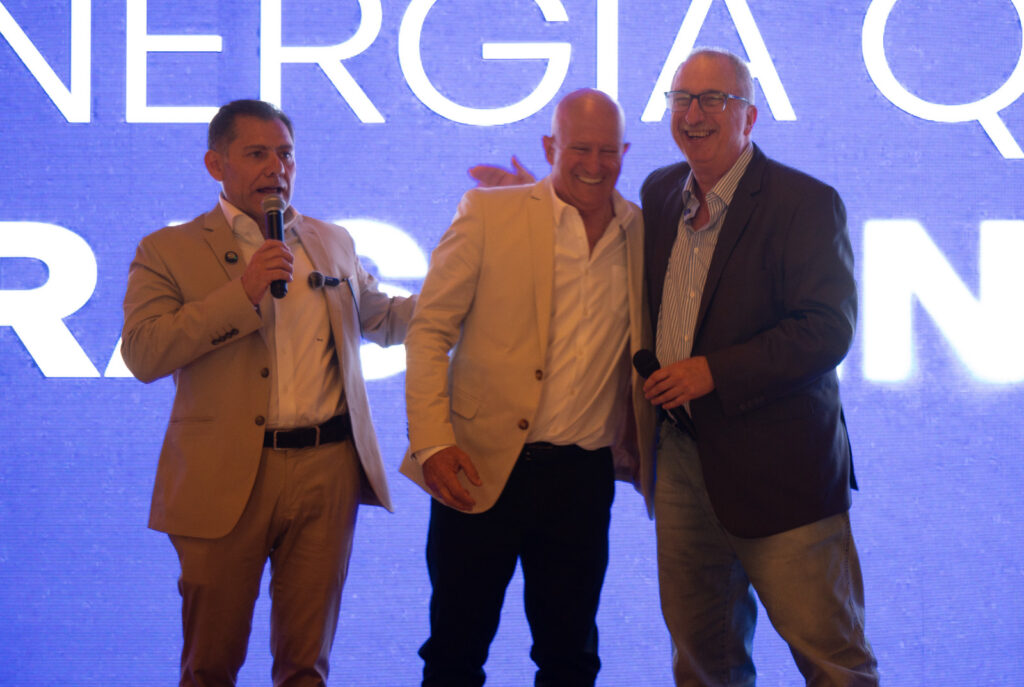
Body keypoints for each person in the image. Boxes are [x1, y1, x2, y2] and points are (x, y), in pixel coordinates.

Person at [121, 99, 415, 686]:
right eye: (257, 154)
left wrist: (460, 291)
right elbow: (144, 353)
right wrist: (244, 290)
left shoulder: (332, 241)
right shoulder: (168, 250)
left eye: (285, 155)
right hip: (224, 474)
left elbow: (380, 318)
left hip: (326, 469)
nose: (275, 168)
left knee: (306, 666)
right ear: (216, 164)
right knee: (210, 665)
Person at [640, 49, 879, 685]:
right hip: (683, 459)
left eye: (713, 100)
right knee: (702, 660)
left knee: (833, 661)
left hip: (782, 472)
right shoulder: (659, 192)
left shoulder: (806, 202)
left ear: (749, 115)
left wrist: (713, 372)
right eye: (681, 99)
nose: (693, 114)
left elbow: (826, 329)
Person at [401, 89, 654, 687]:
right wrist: (432, 443)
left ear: (624, 152)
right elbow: (429, 331)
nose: (594, 164)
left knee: (570, 660)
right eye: (579, 149)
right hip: (478, 465)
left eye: (607, 151)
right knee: (454, 655)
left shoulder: (644, 231)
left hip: (582, 478)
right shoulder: (490, 213)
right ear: (549, 146)